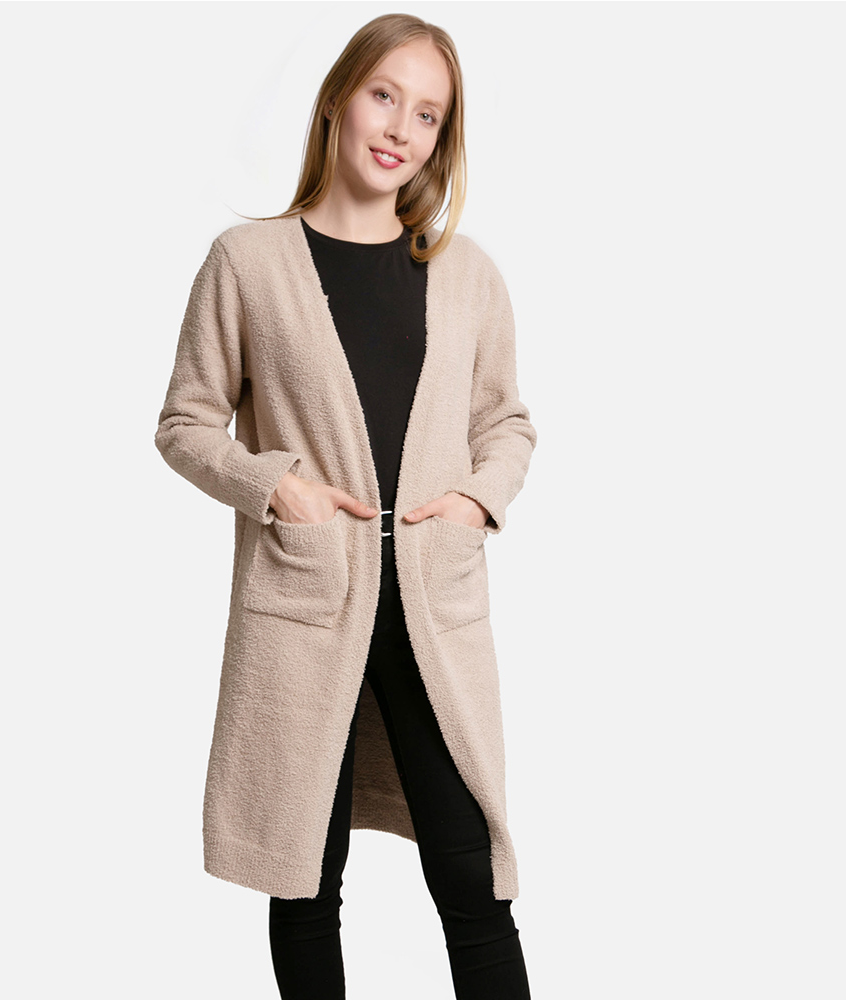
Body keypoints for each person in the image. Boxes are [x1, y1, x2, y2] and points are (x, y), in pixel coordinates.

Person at [154, 13, 537, 999]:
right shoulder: (248, 262)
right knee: (304, 880)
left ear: (440, 139)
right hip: (305, 605)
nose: (400, 127)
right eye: (384, 95)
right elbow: (186, 422)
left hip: (432, 606)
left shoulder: (466, 274)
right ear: (337, 98)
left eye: (427, 114)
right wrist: (271, 482)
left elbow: (507, 424)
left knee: (473, 879)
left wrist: (475, 502)